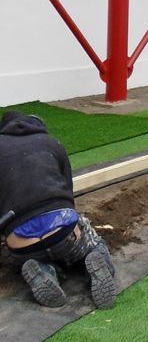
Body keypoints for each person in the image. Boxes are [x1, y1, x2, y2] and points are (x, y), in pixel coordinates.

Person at [0, 110, 116, 309]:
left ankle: (45, 271)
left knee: (34, 255)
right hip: (63, 233)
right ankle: (98, 262)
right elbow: (68, 196)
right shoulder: (52, 143)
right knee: (93, 243)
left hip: (22, 245)